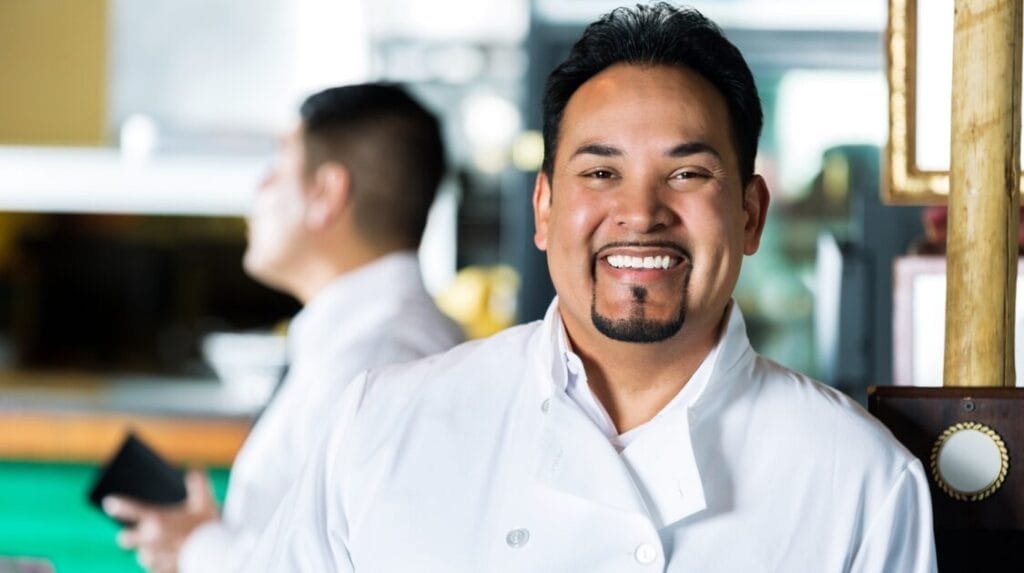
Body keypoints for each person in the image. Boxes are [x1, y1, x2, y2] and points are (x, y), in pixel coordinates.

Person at [245, 5, 937, 571]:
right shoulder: (379, 424)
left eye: (687, 173)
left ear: (751, 214)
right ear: (544, 209)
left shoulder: (862, 480)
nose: (640, 212)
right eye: (601, 173)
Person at [101, 83, 464, 573]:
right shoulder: (367, 343)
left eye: (278, 168)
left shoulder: (380, 363)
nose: (260, 187)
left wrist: (199, 549)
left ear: (326, 194)